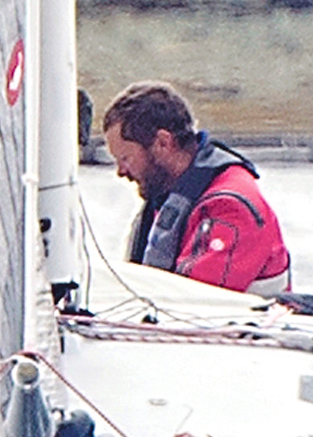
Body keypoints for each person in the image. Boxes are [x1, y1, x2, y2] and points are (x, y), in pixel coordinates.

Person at [100, 80, 292, 294]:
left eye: (126, 158)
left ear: (163, 142)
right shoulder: (166, 195)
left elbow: (192, 303)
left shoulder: (230, 209)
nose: (121, 171)